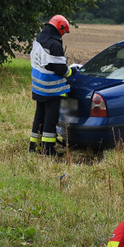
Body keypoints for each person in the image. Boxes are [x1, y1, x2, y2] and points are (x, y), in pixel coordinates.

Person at [30, 15, 74, 156]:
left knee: (39, 117)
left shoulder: (40, 38)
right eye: (63, 32)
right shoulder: (54, 44)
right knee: (50, 118)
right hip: (51, 89)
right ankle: (48, 150)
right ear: (60, 29)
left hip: (38, 86)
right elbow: (60, 69)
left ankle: (34, 146)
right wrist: (72, 71)